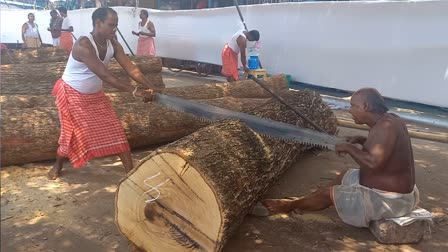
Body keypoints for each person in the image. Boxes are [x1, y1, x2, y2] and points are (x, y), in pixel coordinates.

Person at [263, 88, 419, 228]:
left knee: (329, 194)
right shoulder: (388, 120)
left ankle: (289, 205)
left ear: (366, 107)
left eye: (353, 106)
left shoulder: (386, 127)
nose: (350, 111)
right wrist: (360, 140)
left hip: (391, 202)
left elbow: (373, 163)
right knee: (346, 174)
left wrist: (350, 148)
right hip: (392, 194)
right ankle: (307, 200)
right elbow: (384, 149)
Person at [48, 7, 162, 180]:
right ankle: (57, 166)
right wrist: (134, 91)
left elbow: (131, 68)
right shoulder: (84, 44)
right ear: (98, 23)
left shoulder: (113, 44)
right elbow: (104, 74)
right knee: (70, 135)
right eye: (111, 25)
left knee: (116, 131)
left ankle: (130, 175)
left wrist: (151, 86)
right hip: (72, 95)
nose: (114, 29)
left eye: (116, 25)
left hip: (95, 96)